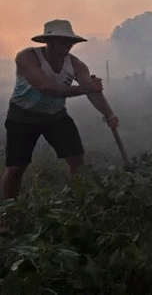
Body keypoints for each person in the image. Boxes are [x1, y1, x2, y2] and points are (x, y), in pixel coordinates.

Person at [0, 20, 119, 235]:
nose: (68, 46)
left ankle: (74, 207)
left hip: (55, 115)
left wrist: (109, 114)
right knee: (16, 168)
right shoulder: (27, 58)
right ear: (47, 41)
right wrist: (86, 88)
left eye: (70, 42)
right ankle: (8, 217)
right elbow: (46, 88)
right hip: (22, 116)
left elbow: (92, 92)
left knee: (77, 162)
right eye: (63, 41)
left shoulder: (77, 65)